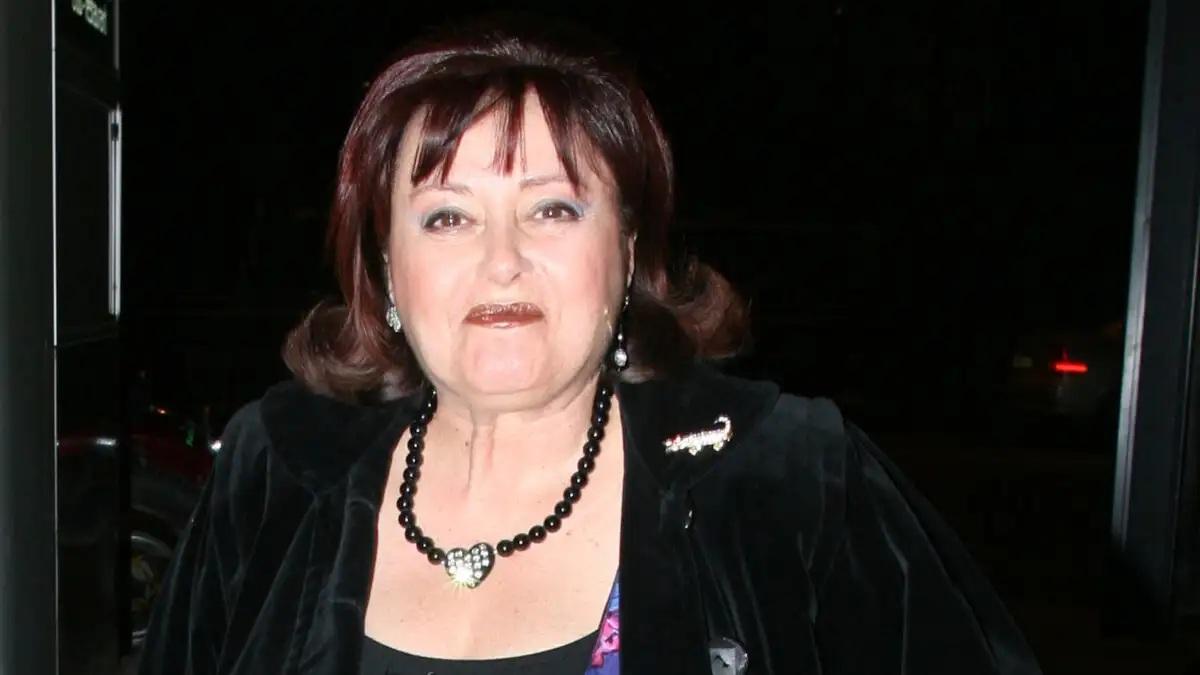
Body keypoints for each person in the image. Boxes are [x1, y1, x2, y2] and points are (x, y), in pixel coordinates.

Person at [140, 14, 1042, 675]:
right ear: (387, 267)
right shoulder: (278, 469)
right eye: (448, 216)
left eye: (553, 209)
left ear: (629, 253)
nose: (501, 260)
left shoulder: (788, 481)